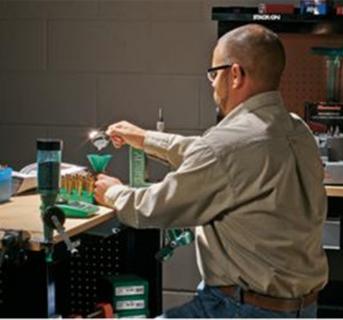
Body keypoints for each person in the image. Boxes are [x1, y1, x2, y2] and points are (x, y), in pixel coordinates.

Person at [95, 24, 328, 318]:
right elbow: (216, 156)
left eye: (214, 73)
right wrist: (144, 138)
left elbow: (151, 209)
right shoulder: (296, 129)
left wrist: (113, 193)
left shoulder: (229, 144)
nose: (212, 84)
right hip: (301, 309)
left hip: (239, 309)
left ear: (235, 74)